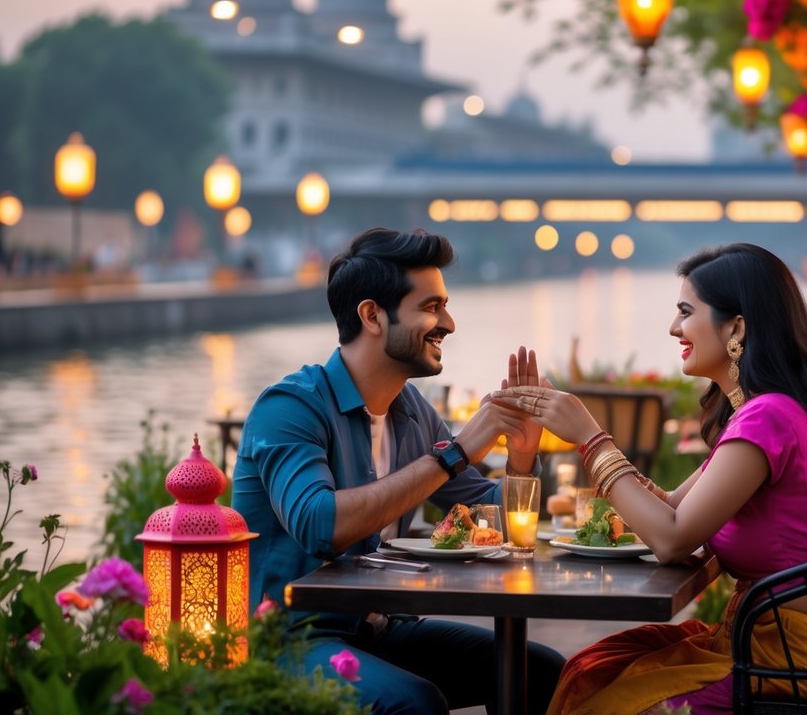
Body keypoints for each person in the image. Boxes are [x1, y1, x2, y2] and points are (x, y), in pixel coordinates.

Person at [493, 243, 807, 715]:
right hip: (756, 643)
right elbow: (669, 508)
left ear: (736, 327)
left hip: (783, 666)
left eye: (686, 312)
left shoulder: (768, 418)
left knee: (602, 697)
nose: (673, 328)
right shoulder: (759, 414)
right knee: (592, 667)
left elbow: (671, 539)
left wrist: (589, 437)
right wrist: (563, 436)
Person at [231, 227, 564, 715]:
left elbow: (499, 519)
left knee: (542, 672)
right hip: (289, 637)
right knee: (414, 703)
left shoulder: (412, 411)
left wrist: (521, 454)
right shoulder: (290, 407)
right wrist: (457, 451)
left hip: (380, 628)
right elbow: (321, 525)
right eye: (431, 307)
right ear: (372, 316)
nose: (448, 322)